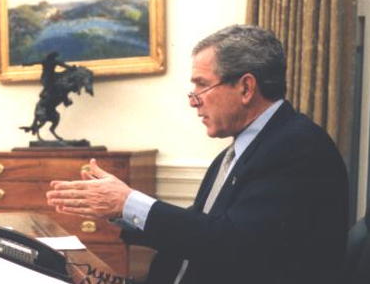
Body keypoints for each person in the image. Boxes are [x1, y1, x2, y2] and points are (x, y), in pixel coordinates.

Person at [46, 24, 348, 284]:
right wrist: (118, 210)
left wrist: (128, 203)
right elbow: (198, 226)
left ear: (245, 88)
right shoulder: (238, 150)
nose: (194, 101)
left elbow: (231, 244)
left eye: (202, 86)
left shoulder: (298, 147)